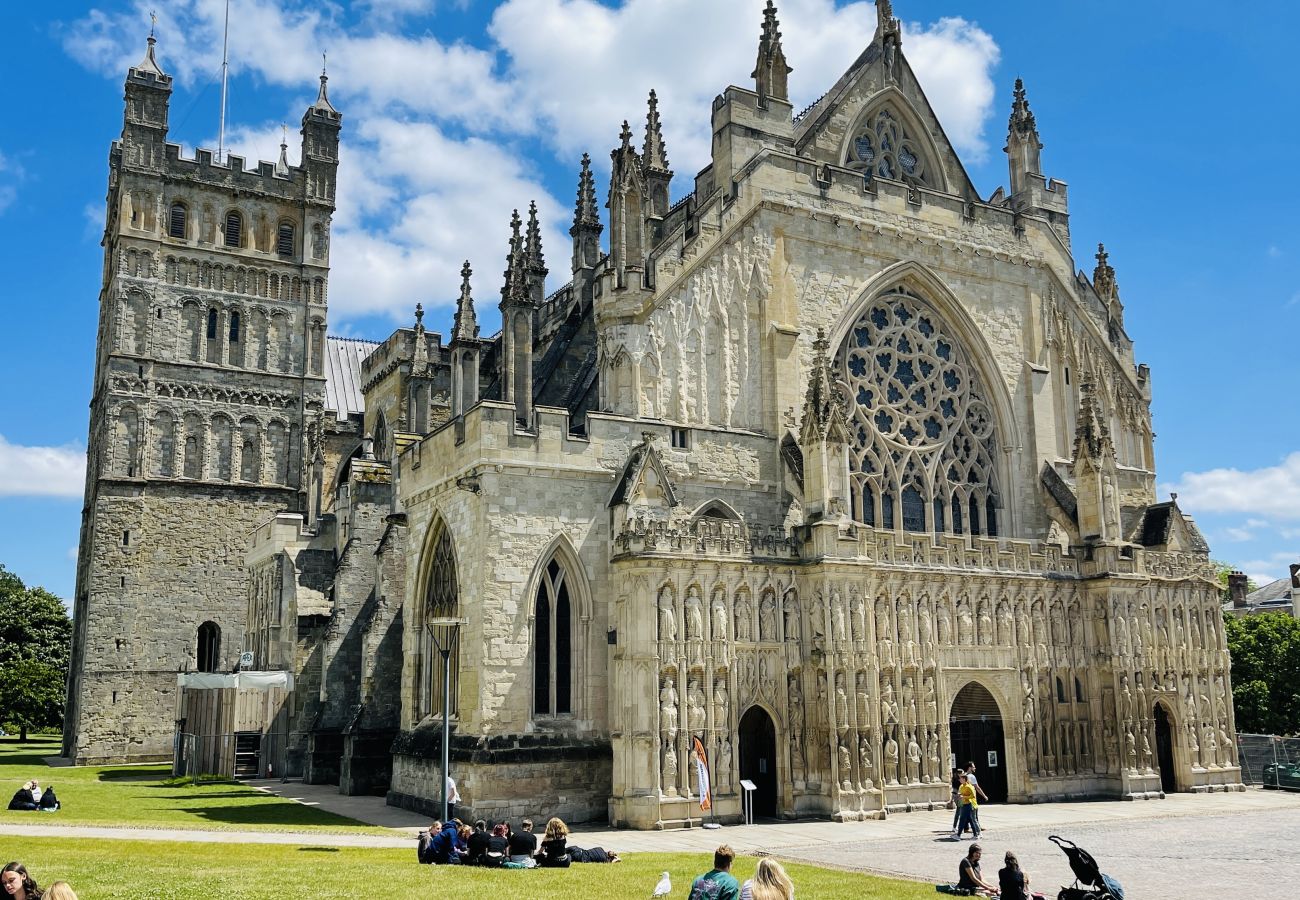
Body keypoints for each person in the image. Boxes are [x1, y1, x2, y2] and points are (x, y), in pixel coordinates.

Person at [964, 762, 989, 834]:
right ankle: (977, 827)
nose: (975, 768)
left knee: (966, 812)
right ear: (970, 768)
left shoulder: (964, 776)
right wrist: (984, 796)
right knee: (974, 812)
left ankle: (966, 828)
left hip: (965, 797)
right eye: (973, 767)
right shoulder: (971, 776)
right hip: (972, 797)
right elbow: (977, 788)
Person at [954, 773, 979, 840]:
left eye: (961, 779)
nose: (959, 780)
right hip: (963, 804)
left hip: (969, 804)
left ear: (964, 779)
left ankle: (958, 835)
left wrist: (964, 796)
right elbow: (961, 793)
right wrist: (959, 795)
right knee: (970, 820)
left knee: (962, 819)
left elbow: (973, 796)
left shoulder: (969, 786)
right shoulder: (961, 786)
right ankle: (975, 834)